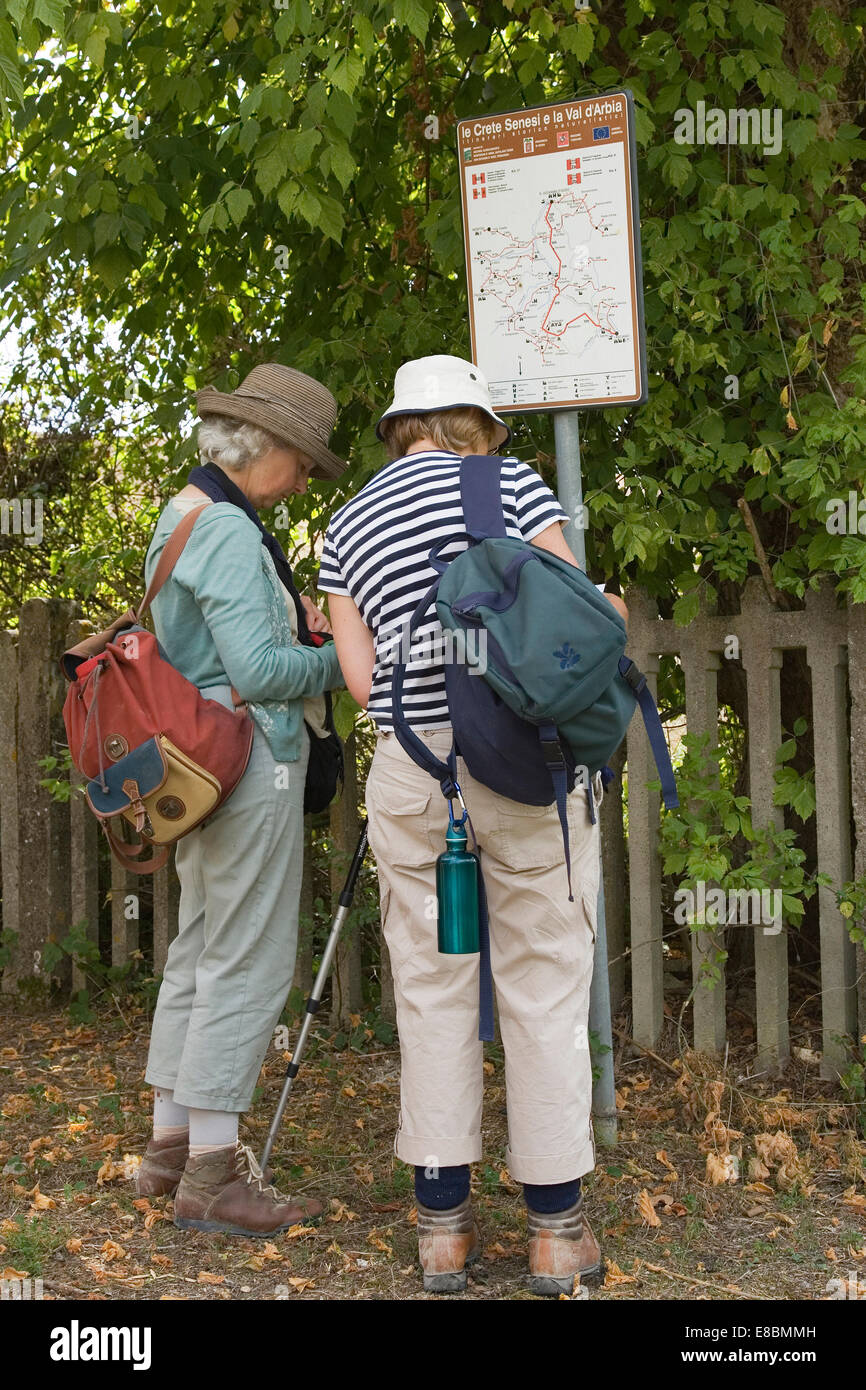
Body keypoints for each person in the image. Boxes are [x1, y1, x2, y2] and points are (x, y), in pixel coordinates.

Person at [318, 354, 628, 1295]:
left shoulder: (344, 524)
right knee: (542, 982)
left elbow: (365, 683)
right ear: (476, 424)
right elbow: (572, 628)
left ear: (398, 428)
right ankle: (555, 1233)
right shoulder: (514, 485)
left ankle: (442, 1231)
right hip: (522, 770)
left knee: (431, 985)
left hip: (413, 777)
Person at [136, 363, 346, 1238]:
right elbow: (258, 672)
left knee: (197, 948)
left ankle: (171, 1148)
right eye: (303, 462)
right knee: (246, 958)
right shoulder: (225, 528)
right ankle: (215, 1180)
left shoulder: (184, 514)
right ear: (269, 447)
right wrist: (343, 661)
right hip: (249, 759)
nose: (303, 479)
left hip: (198, 764)